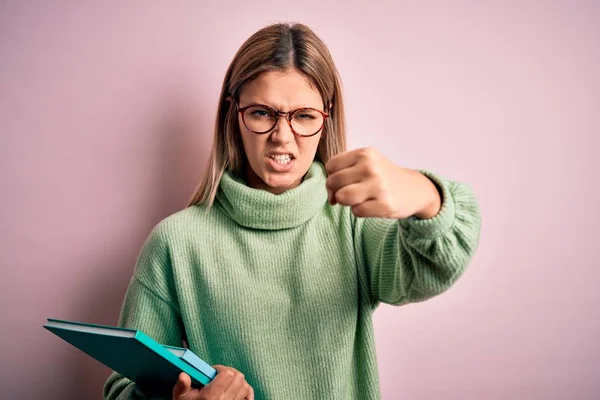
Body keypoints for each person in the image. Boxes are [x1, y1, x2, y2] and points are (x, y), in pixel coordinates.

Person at [103, 22, 481, 400]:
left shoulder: (354, 224)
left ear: (325, 118)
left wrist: (423, 194)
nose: (282, 136)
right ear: (233, 114)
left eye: (303, 116)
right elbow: (123, 388)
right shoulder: (176, 243)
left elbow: (438, 267)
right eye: (263, 113)